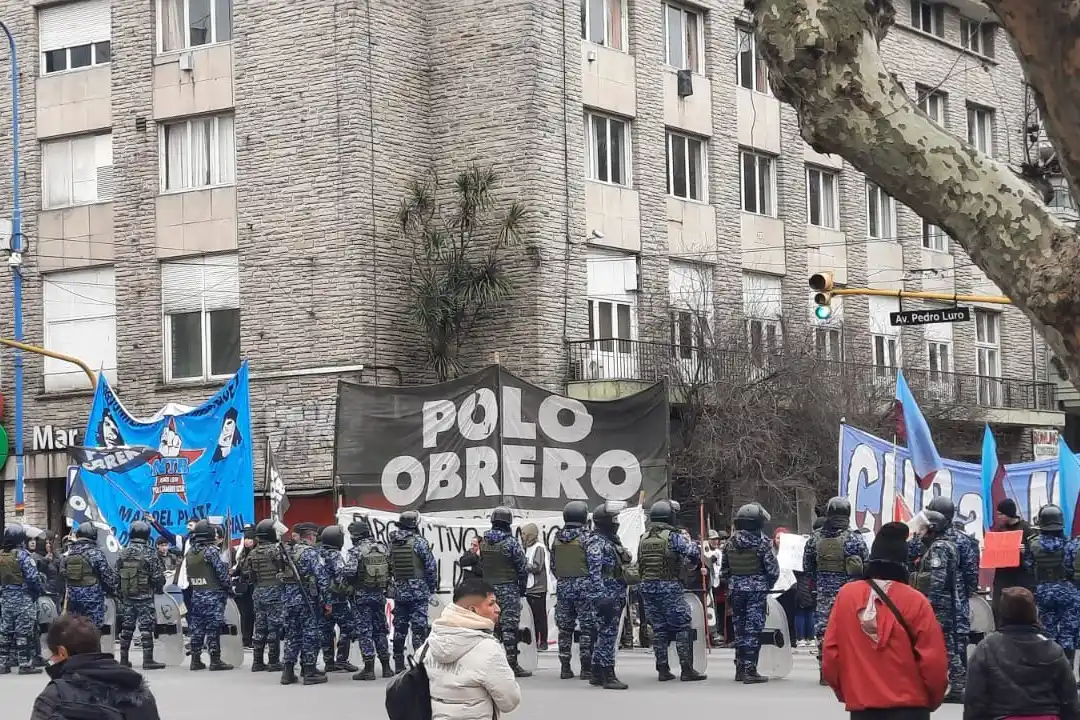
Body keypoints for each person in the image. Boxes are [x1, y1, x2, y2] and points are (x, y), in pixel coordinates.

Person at [822, 522, 949, 720]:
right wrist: (931, 700)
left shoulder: (847, 596)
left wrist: (847, 692)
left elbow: (831, 654)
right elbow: (933, 661)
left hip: (863, 707)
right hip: (910, 707)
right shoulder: (916, 601)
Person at [965, 586, 1079, 720]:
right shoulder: (1053, 649)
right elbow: (1069, 701)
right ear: (1034, 612)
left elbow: (974, 699)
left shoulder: (986, 648)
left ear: (1002, 613)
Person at [423, 577, 522, 720]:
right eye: (491, 604)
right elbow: (510, 701)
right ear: (473, 610)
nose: (498, 609)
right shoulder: (488, 649)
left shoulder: (430, 643)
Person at [30, 614, 161, 720]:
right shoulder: (138, 689)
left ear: (62, 652)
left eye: (53, 654)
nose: (51, 659)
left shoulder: (55, 696)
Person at [636, 499, 706, 682]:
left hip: (647, 587)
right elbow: (691, 552)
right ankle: (686, 669)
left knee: (659, 629)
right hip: (668, 586)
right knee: (682, 625)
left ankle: (662, 669)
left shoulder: (644, 537)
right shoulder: (672, 536)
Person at [802, 497, 868, 685]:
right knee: (849, 631)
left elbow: (808, 568)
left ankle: (825, 670)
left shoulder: (815, 539)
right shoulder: (855, 538)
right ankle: (847, 670)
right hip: (850, 594)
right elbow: (866, 565)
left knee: (824, 631)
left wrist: (820, 583)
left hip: (824, 593)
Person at [464, 506, 531, 677]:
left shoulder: (484, 542)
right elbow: (522, 569)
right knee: (509, 627)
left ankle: (487, 663)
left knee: (488, 626)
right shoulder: (511, 543)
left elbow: (481, 564)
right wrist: (521, 590)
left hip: (488, 590)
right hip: (508, 588)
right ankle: (511, 664)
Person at [720, 503, 779, 684]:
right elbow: (773, 571)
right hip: (756, 591)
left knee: (739, 630)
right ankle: (750, 670)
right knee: (753, 631)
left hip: (736, 590)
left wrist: (734, 584)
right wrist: (764, 585)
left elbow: (724, 571)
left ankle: (739, 668)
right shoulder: (762, 543)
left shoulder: (729, 543)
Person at [910, 509, 964, 703]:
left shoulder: (939, 548)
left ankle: (957, 685)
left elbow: (938, 579)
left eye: (924, 528)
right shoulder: (938, 545)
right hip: (941, 604)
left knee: (946, 644)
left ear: (933, 528)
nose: (921, 531)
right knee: (946, 643)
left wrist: (928, 604)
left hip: (939, 605)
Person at [926, 496, 980, 678]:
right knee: (956, 637)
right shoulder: (958, 539)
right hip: (955, 596)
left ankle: (958, 679)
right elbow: (971, 574)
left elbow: (970, 573)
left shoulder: (957, 540)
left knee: (955, 638)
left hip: (950, 597)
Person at [1022, 504, 1080, 666]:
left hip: (1044, 591)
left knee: (1048, 631)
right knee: (1068, 632)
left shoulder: (1033, 543)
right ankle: (1067, 669)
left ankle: (1051, 668)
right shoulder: (1070, 544)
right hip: (1068, 590)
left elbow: (1028, 567)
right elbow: (1071, 567)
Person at [280, 522, 331, 685]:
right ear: (311, 536)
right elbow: (322, 578)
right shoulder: (310, 553)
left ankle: (287, 672)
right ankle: (309, 670)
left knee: (292, 636)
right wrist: (328, 602)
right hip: (307, 600)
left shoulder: (288, 551)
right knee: (310, 634)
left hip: (289, 600)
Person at [343, 517, 393, 680]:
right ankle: (386, 667)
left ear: (356, 536)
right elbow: (391, 568)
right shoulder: (382, 547)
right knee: (380, 630)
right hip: (379, 595)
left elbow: (350, 573)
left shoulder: (357, 551)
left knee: (365, 631)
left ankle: (369, 669)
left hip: (361, 596)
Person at [587, 501, 630, 690]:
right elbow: (594, 572)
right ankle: (608, 674)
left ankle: (596, 672)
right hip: (606, 595)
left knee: (604, 633)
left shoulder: (610, 541)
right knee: (607, 635)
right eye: (613, 519)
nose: (616, 522)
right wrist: (601, 596)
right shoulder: (598, 543)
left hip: (613, 592)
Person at [551, 500, 595, 681]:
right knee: (587, 628)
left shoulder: (557, 539)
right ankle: (586, 668)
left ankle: (565, 667)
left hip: (563, 587)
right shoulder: (587, 538)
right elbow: (594, 564)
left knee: (565, 629)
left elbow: (553, 566)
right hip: (584, 588)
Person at [387, 510, 437, 673]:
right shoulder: (419, 542)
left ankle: (399, 663)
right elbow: (430, 567)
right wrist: (431, 587)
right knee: (418, 628)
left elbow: (388, 566)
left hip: (400, 591)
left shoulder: (392, 542)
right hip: (418, 592)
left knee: (400, 627)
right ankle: (418, 663)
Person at [114, 520, 166, 670]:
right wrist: (159, 588)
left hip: (127, 597)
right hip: (144, 596)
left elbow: (116, 575)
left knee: (127, 628)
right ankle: (148, 660)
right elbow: (157, 577)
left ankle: (124, 659)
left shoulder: (122, 552)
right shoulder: (149, 552)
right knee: (146, 628)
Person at [183, 520, 233, 672]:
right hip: (213, 595)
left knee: (197, 628)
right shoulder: (211, 551)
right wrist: (229, 589)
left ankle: (195, 660)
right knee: (213, 629)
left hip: (197, 593)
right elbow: (221, 573)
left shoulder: (190, 551)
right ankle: (215, 660)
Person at [236, 519, 285, 672]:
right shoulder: (276, 551)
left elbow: (246, 574)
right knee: (274, 628)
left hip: (258, 593)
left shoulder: (253, 553)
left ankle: (257, 662)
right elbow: (284, 569)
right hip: (274, 592)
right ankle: (273, 661)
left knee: (260, 627)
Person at [0, 523, 44, 674]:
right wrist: (36, 593)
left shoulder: (1, 555)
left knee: (5, 632)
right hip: (23, 599)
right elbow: (33, 578)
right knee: (23, 632)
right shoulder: (22, 555)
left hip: (6, 599)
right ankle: (25, 664)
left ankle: (2, 664)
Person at [315, 524, 357, 672]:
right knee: (348, 627)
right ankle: (341, 659)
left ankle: (328, 662)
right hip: (337, 599)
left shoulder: (318, 553)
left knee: (326, 630)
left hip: (321, 599)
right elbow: (341, 576)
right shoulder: (335, 555)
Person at [63, 524, 117, 630]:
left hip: (73, 599)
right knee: (93, 630)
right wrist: (113, 591)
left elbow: (64, 574)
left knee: (75, 628)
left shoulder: (70, 553)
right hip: (92, 600)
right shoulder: (95, 553)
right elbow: (106, 577)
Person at [990, 499, 1036, 624]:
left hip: (1020, 576)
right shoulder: (1000, 530)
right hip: (1003, 576)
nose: (998, 517)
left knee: (1020, 607)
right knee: (998, 607)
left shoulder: (1026, 529)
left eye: (1001, 514)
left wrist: (1025, 551)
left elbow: (1035, 555)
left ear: (1008, 513)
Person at [522, 523, 549, 652]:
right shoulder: (527, 547)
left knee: (540, 617)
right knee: (532, 617)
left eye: (524, 533)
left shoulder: (539, 548)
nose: (522, 536)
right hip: (529, 587)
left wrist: (523, 564)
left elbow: (537, 567)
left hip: (538, 588)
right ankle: (534, 641)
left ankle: (543, 642)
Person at [233, 524, 256, 648]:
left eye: (249, 537)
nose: (246, 540)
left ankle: (250, 637)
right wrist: (234, 572)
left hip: (253, 586)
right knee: (244, 613)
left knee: (251, 614)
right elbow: (240, 567)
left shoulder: (257, 552)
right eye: (245, 537)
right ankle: (245, 638)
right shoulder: (243, 552)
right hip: (243, 587)